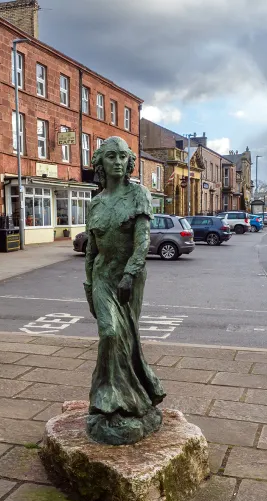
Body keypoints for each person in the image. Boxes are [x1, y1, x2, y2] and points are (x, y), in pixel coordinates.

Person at [83, 136, 166, 445]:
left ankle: (134, 399)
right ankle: (106, 401)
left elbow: (143, 240)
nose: (117, 161)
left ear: (129, 162)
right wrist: (89, 287)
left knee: (126, 338)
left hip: (129, 277)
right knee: (109, 333)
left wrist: (130, 274)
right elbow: (91, 248)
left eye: (122, 156)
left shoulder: (139, 194)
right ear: (101, 163)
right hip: (102, 277)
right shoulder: (95, 202)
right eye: (111, 156)